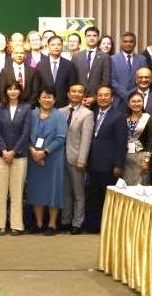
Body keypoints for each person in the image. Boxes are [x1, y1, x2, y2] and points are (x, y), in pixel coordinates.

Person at [26, 87, 68, 235]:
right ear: (39, 99)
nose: (46, 100)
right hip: (33, 157)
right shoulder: (31, 114)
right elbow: (25, 134)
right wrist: (32, 150)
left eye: (50, 97)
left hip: (53, 158)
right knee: (36, 189)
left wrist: (45, 152)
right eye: (44, 97)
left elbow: (61, 137)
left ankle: (52, 224)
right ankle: (39, 223)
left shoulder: (60, 116)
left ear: (54, 100)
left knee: (53, 190)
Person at [85, 86, 127, 233]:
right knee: (93, 196)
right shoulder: (91, 114)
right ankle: (94, 226)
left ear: (112, 98)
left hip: (109, 164)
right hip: (92, 162)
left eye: (106, 95)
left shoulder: (119, 116)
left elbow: (122, 142)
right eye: (100, 95)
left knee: (108, 197)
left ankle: (109, 227)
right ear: (96, 97)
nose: (103, 98)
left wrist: (118, 165)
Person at [0, 82, 31, 235]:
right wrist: (4, 151)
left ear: (20, 91)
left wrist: (13, 151)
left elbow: (25, 132)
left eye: (16, 89)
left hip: (19, 156)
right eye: (10, 89)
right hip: (0, 155)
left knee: (17, 192)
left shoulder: (26, 108)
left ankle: (16, 225)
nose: (13, 92)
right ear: (6, 91)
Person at [61, 83, 93, 234]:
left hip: (76, 158)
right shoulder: (60, 112)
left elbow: (86, 139)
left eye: (80, 92)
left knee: (78, 193)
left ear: (83, 95)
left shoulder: (87, 114)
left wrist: (82, 160)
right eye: (73, 91)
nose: (76, 94)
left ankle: (77, 222)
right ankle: (65, 220)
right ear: (68, 94)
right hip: (60, 158)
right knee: (65, 191)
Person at [122, 92, 152, 186]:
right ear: (128, 104)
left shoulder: (149, 118)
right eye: (133, 101)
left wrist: (146, 160)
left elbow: (151, 140)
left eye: (139, 101)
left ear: (143, 103)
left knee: (139, 185)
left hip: (141, 158)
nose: (136, 104)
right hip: (126, 158)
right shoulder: (124, 118)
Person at [37, 35, 76, 108]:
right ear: (48, 47)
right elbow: (37, 87)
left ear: (62, 46)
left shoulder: (69, 65)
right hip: (45, 104)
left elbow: (72, 86)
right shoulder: (40, 65)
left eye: (59, 44)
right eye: (53, 45)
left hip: (64, 105)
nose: (56, 47)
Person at [72, 27, 111, 96]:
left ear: (98, 38)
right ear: (85, 38)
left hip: (97, 98)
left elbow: (106, 81)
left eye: (94, 36)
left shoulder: (105, 57)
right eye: (89, 36)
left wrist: (95, 97)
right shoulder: (76, 57)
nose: (91, 38)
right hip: (79, 97)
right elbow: (73, 79)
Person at [111, 31, 148, 102]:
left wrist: (133, 94)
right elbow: (112, 80)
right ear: (121, 43)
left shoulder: (142, 59)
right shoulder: (112, 59)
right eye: (125, 41)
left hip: (137, 99)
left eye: (131, 42)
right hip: (118, 99)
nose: (128, 44)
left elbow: (144, 79)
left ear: (135, 43)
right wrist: (125, 94)